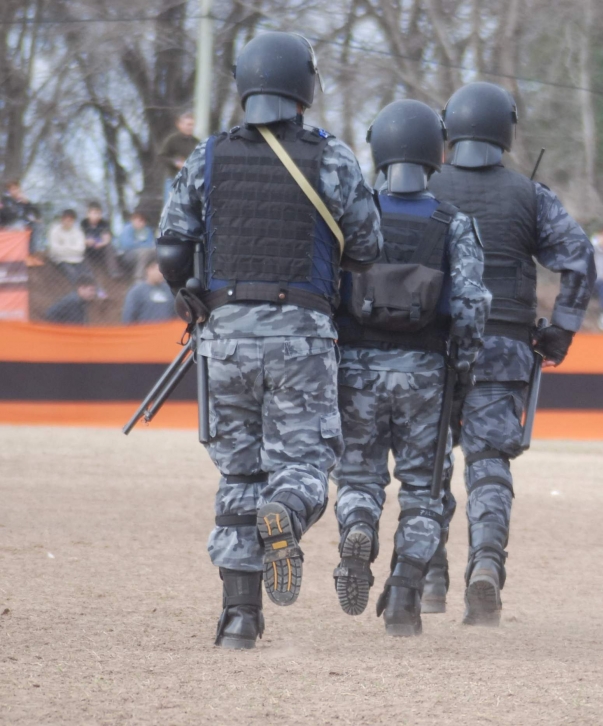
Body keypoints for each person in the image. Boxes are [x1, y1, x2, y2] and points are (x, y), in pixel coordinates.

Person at [156, 31, 382, 650]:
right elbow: (368, 245)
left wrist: (189, 294)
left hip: (224, 337)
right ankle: (285, 509)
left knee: (237, 475)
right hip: (300, 336)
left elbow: (172, 245)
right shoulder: (330, 156)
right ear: (304, 86)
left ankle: (239, 619)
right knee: (305, 462)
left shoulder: (206, 156)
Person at [426, 81, 596, 625]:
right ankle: (487, 568)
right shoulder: (530, 195)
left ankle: (429, 576)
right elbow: (579, 258)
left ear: (449, 128)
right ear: (505, 131)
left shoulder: (423, 186)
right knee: (489, 465)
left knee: (426, 466)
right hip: (503, 349)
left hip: (430, 348)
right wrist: (561, 333)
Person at [332, 99, 490, 637]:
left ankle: (357, 528)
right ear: (435, 156)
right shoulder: (455, 224)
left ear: (379, 152)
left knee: (358, 475)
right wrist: (461, 375)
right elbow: (471, 308)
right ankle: (403, 592)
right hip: (426, 372)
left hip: (355, 369)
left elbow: (329, 292)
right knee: (425, 491)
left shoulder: (355, 218)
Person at [122, 253, 176, 323]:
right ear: (149, 269)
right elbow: (128, 317)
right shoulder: (137, 291)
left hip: (167, 332)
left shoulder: (170, 291)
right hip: (145, 332)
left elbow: (177, 315)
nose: (162, 274)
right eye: (159, 270)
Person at [158, 112, 200, 202]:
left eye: (192, 125)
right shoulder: (172, 140)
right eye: (188, 124)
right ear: (180, 125)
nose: (190, 127)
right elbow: (162, 157)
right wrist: (175, 162)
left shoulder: (196, 142)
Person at [1, 180, 44, 260]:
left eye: (17, 189)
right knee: (20, 225)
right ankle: (27, 253)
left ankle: (33, 252)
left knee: (38, 225)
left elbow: (37, 214)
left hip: (23, 222)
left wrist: (27, 203)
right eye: (13, 189)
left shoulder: (22, 201)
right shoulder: (6, 201)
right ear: (9, 191)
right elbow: (10, 215)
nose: (16, 191)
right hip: (9, 223)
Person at [46, 209, 91, 283]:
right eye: (66, 220)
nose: (68, 222)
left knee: (87, 273)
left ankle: (97, 291)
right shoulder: (54, 230)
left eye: (71, 220)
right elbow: (54, 250)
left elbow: (81, 249)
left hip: (77, 259)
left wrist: (64, 247)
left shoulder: (78, 231)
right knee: (73, 274)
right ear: (62, 220)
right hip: (60, 260)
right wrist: (72, 248)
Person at [81, 202, 120, 278]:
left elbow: (107, 238)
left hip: (100, 248)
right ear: (88, 214)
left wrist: (102, 243)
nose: (97, 216)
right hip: (89, 249)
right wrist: (87, 241)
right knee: (82, 248)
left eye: (99, 213)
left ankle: (114, 271)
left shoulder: (104, 224)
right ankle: (87, 272)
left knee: (109, 247)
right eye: (94, 213)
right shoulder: (83, 223)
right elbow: (81, 238)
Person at [115, 210, 155, 279]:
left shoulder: (147, 230)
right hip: (128, 255)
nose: (141, 223)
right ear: (133, 220)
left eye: (143, 221)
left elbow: (151, 244)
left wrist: (138, 244)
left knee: (156, 251)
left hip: (145, 253)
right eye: (139, 220)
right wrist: (142, 245)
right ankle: (139, 277)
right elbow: (126, 244)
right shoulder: (127, 228)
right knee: (144, 251)